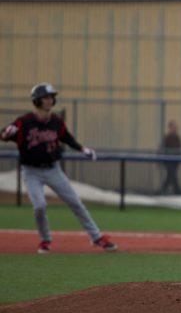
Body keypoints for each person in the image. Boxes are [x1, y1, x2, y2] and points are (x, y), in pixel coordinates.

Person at [0, 83, 117, 254]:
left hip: (53, 170)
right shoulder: (24, 122)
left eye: (51, 97)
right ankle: (45, 240)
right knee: (39, 206)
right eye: (46, 97)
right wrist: (5, 133)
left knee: (75, 203)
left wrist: (82, 149)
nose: (50, 100)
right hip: (31, 171)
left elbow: (67, 138)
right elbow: (5, 135)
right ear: (37, 100)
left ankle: (96, 237)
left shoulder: (55, 122)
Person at [158, 120, 181, 195]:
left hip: (175, 161)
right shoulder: (166, 138)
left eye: (175, 128)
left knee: (169, 177)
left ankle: (160, 191)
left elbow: (179, 149)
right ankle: (178, 191)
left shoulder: (177, 138)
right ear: (170, 128)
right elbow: (161, 149)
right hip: (168, 161)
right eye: (173, 128)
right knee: (173, 176)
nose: (175, 129)